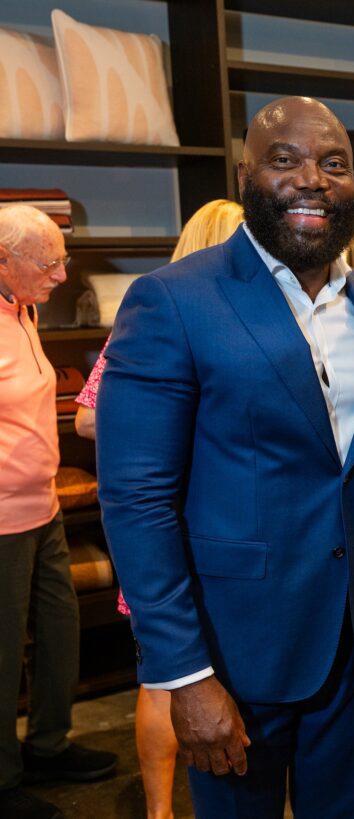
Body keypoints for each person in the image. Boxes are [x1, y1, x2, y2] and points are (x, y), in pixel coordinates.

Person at [96, 97, 354, 818]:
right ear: (245, 176)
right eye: (284, 159)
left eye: (334, 164)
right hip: (234, 657)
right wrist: (184, 672)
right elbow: (136, 500)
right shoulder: (172, 300)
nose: (312, 179)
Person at [74, 198, 244, 819]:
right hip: (166, 531)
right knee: (165, 676)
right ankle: (160, 809)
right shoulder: (163, 312)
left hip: (220, 532)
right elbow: (90, 415)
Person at [0, 205, 118, 819]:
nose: (61, 274)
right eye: (47, 263)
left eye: (62, 259)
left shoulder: (24, 310)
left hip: (41, 505)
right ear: (2, 260)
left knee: (58, 629)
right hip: (0, 520)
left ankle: (47, 744)